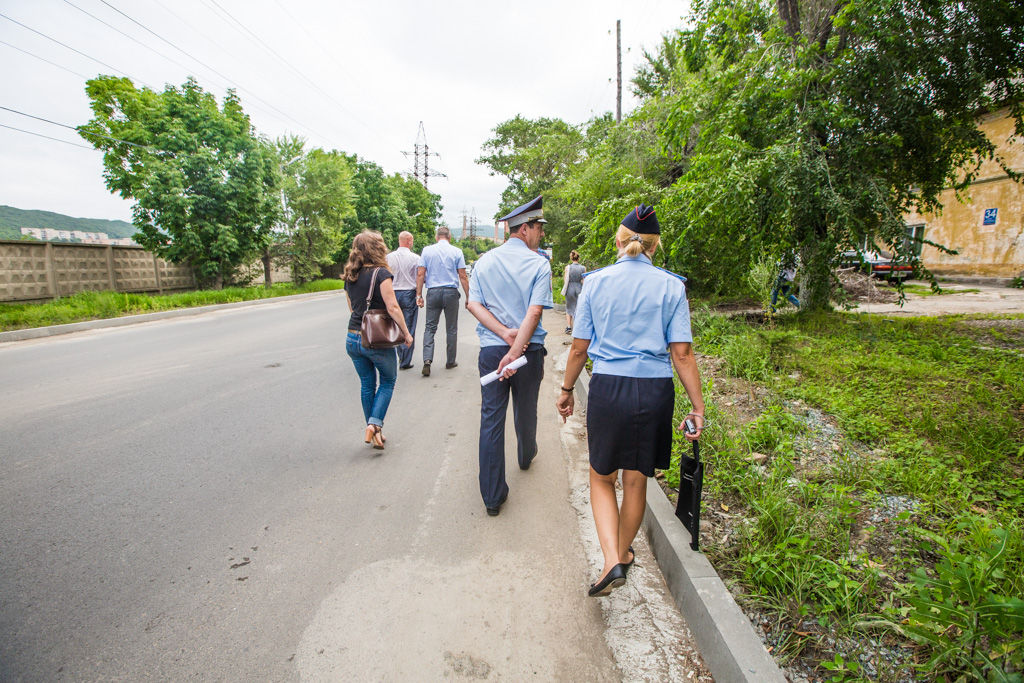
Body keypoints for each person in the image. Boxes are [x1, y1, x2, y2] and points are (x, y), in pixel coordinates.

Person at [556, 204, 705, 597]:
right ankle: (622, 552)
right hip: (655, 391)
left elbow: (579, 349)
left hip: (610, 388)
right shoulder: (673, 286)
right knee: (637, 481)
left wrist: (567, 389)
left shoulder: (597, 282)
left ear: (619, 242)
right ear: (656, 246)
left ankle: (611, 561)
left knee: (601, 477)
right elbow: (683, 354)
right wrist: (698, 407)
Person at [466, 195, 553, 516]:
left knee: (491, 418)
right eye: (538, 228)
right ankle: (526, 454)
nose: (541, 234)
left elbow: (473, 304)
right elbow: (533, 313)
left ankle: (492, 497)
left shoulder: (484, 262)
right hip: (527, 353)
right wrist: (515, 347)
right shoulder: (539, 264)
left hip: (492, 352)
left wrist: (502, 336)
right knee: (526, 408)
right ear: (524, 229)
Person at [343, 230, 414, 450]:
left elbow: (352, 308)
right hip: (375, 340)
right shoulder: (381, 274)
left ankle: (375, 432)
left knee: (366, 384)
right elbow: (392, 306)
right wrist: (405, 332)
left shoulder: (350, 275)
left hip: (352, 338)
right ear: (378, 248)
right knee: (388, 381)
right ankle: (374, 424)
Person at [416, 226, 470, 376]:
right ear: (449, 237)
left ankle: (427, 360)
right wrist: (468, 297)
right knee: (451, 329)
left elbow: (421, 274)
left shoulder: (427, 251)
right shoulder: (457, 251)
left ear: (436, 236)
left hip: (433, 292)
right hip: (451, 293)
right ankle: (450, 361)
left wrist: (419, 295)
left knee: (430, 328)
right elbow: (463, 276)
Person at [386, 231, 421, 370]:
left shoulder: (388, 257)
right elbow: (419, 276)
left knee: (395, 325)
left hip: (392, 293)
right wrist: (419, 294)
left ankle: (399, 353)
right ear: (409, 241)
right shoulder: (416, 258)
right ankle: (405, 360)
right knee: (409, 325)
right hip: (409, 293)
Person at [562, 250, 585, 334]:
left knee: (569, 308)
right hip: (579, 288)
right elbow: (584, 280)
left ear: (571, 258)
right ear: (578, 258)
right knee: (578, 308)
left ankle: (568, 327)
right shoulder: (583, 268)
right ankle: (577, 327)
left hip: (570, 289)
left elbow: (565, 280)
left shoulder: (568, 267)